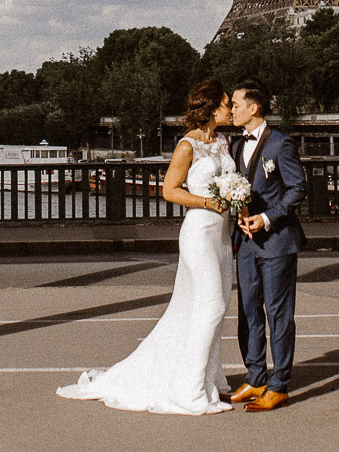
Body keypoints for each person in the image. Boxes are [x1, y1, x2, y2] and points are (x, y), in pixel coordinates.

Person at [56, 78, 237, 415]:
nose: (232, 108)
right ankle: (191, 390)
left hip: (221, 237)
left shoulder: (224, 142)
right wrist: (207, 202)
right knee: (210, 305)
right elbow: (170, 190)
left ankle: (207, 378)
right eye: (227, 103)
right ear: (211, 107)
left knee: (210, 307)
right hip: (199, 232)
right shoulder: (188, 146)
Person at [228, 77, 306, 413]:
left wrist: (268, 218)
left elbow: (297, 189)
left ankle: (279, 385)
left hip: (276, 241)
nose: (230, 110)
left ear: (253, 108)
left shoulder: (280, 145)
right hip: (245, 243)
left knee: (278, 314)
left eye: (235, 105)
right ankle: (255, 374)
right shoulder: (234, 145)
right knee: (248, 311)